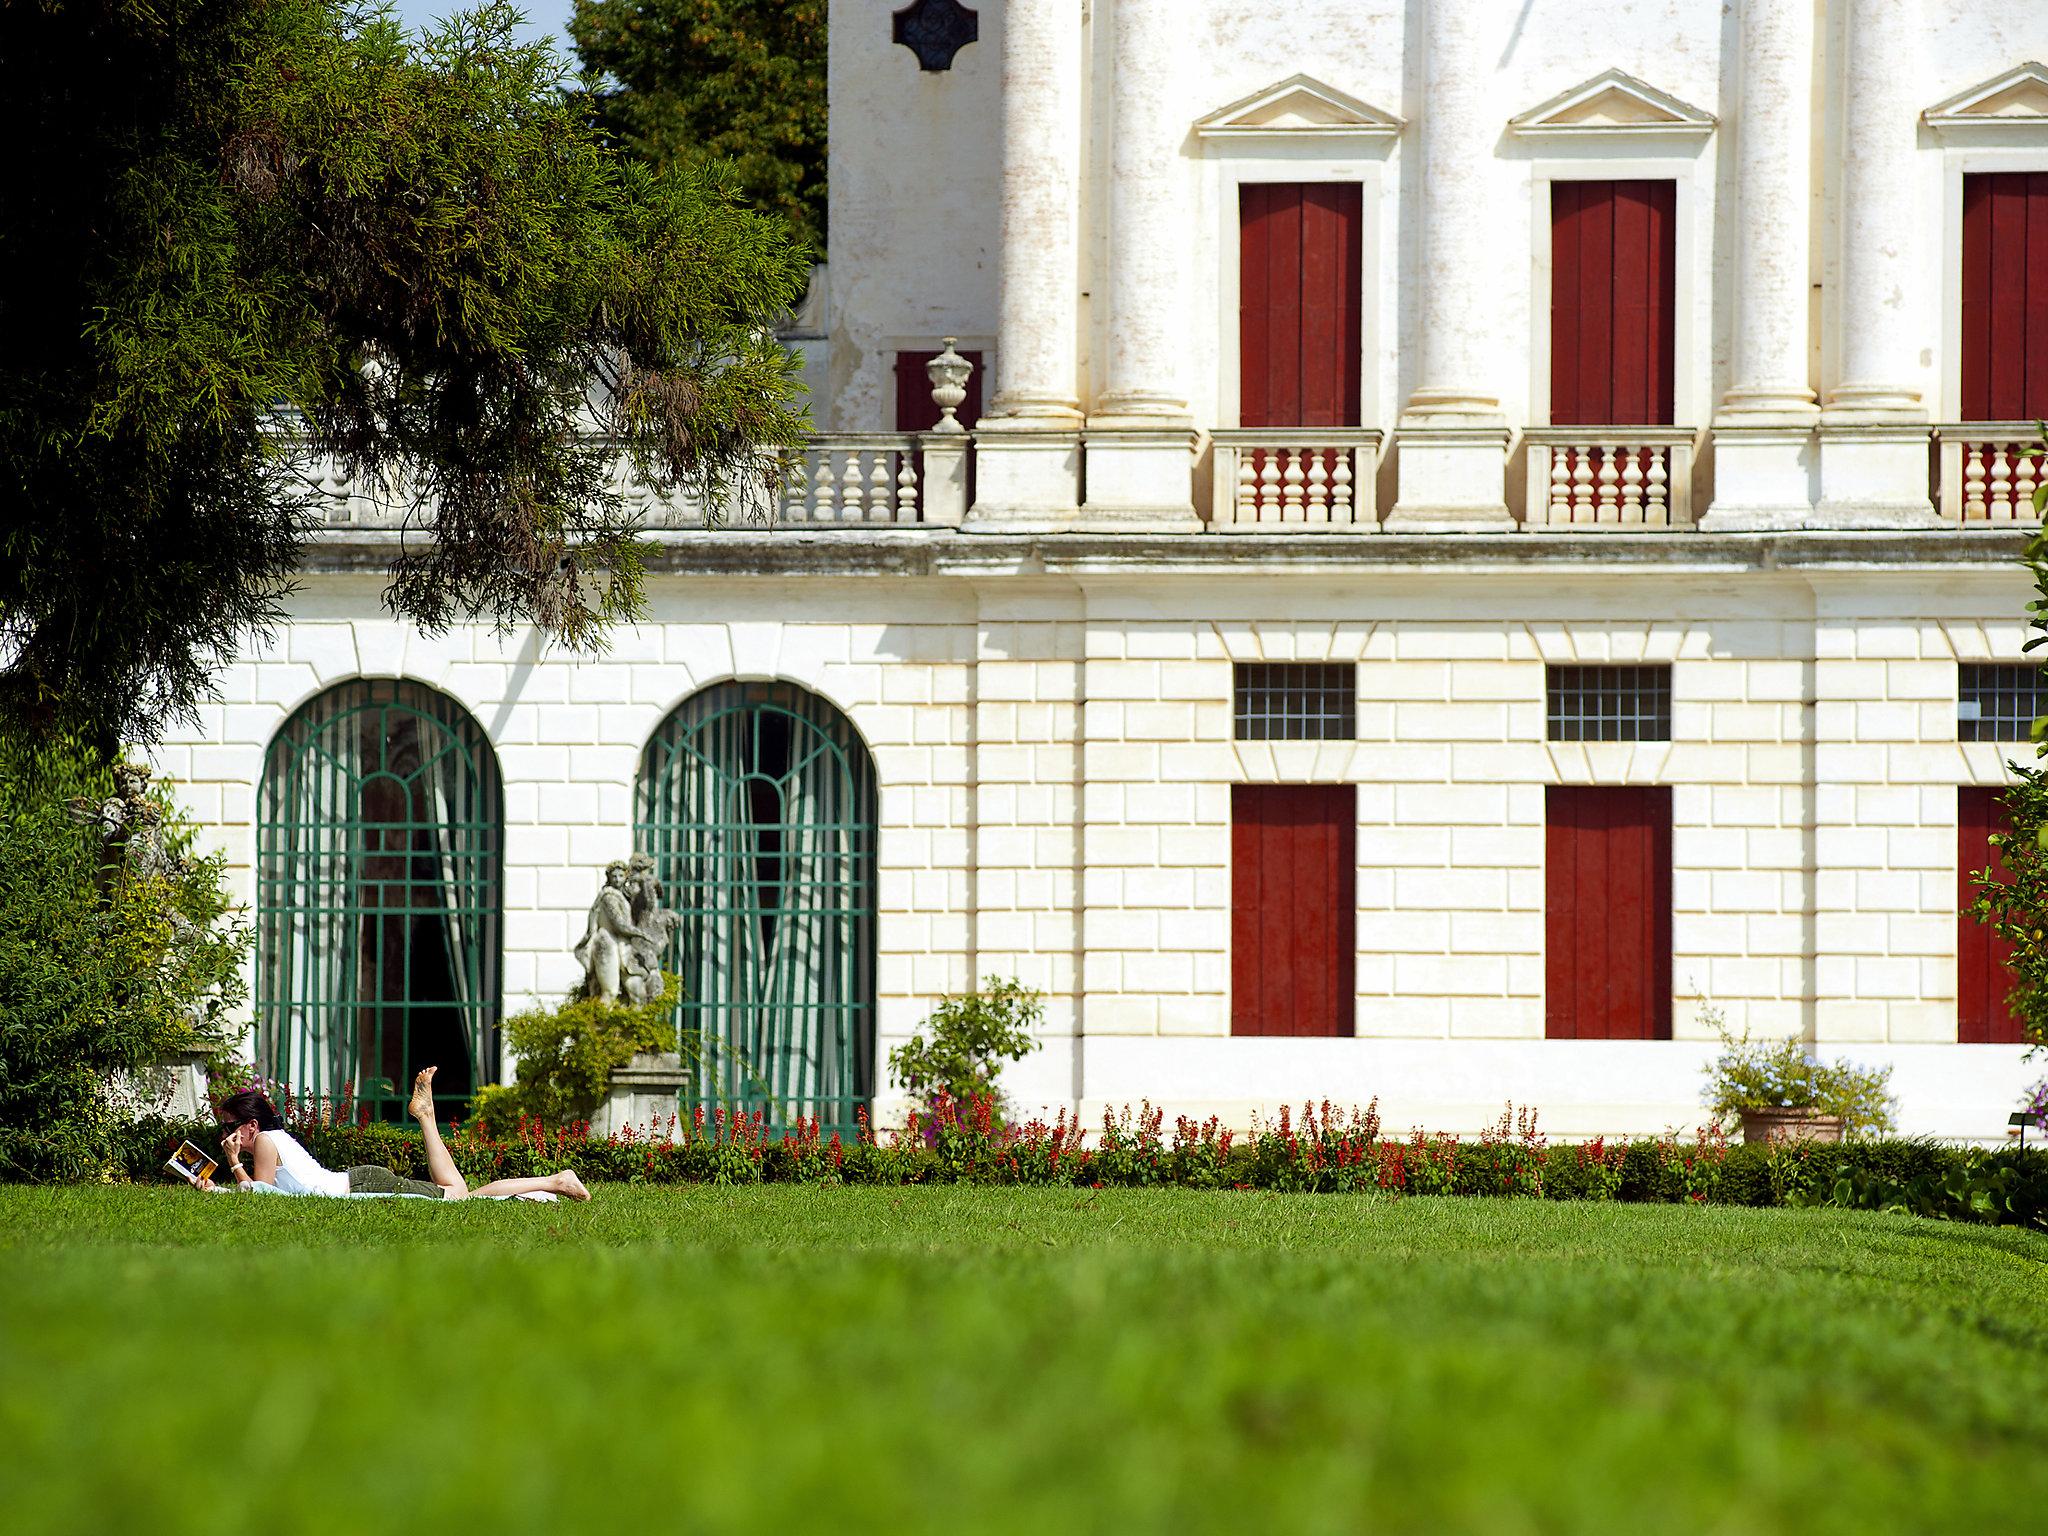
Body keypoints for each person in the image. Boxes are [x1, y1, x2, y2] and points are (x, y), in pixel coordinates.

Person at [203, 1067, 590, 1202]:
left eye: (230, 1126)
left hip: (362, 1186)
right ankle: (426, 1115)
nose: (228, 1134)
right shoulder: (274, 1141)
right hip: (361, 1182)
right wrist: (215, 1188)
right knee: (453, 1187)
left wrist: (235, 1165)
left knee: (461, 1197)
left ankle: (555, 1181)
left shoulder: (268, 1142)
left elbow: (262, 1196)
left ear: (250, 1126)